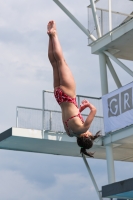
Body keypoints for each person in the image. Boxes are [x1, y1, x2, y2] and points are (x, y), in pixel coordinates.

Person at [47, 20, 101, 157]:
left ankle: (54, 35)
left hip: (69, 94)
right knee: (54, 64)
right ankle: (50, 37)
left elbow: (94, 110)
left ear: (87, 136)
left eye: (90, 135)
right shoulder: (70, 132)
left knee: (61, 61)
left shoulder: (84, 127)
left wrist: (88, 105)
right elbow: (72, 114)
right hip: (59, 96)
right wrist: (81, 109)